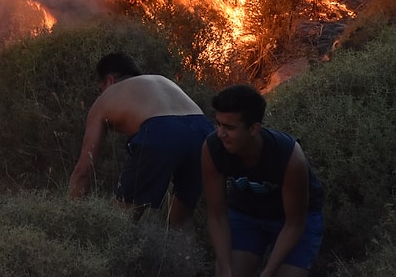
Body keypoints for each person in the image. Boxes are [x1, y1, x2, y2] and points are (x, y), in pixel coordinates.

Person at [67, 52, 215, 232]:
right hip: (203, 131)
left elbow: (83, 171)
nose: (101, 94)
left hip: (160, 131)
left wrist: (71, 219)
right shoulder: (161, 80)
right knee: (180, 223)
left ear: (110, 80)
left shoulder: (107, 97)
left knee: (119, 223)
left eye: (101, 89)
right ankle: (185, 259)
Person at [202, 84, 325, 277]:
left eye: (229, 128)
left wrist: (267, 272)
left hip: (292, 220)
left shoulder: (289, 156)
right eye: (218, 124)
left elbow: (295, 223)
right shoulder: (212, 149)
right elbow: (216, 215)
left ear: (253, 128)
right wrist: (225, 267)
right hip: (246, 214)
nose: (220, 134)